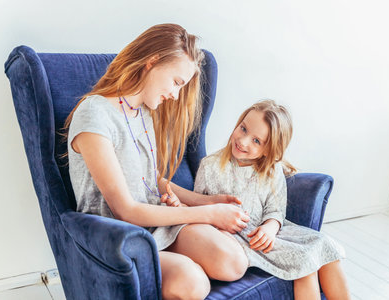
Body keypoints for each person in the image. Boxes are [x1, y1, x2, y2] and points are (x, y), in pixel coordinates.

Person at [62, 23, 251, 300]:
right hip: (119, 236)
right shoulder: (95, 115)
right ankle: (181, 265)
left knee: (233, 261)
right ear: (152, 62)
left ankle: (179, 257)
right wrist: (207, 215)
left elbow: (150, 179)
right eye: (176, 82)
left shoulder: (142, 112)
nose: (175, 95)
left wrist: (204, 201)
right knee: (192, 283)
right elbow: (125, 209)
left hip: (154, 224)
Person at [162, 100, 351, 300]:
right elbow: (200, 208)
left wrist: (270, 227)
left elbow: (275, 210)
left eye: (256, 141)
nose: (243, 141)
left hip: (267, 232)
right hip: (236, 239)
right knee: (305, 263)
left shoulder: (271, 171)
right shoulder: (210, 166)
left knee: (323, 244)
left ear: (269, 150)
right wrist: (182, 206)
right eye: (243, 129)